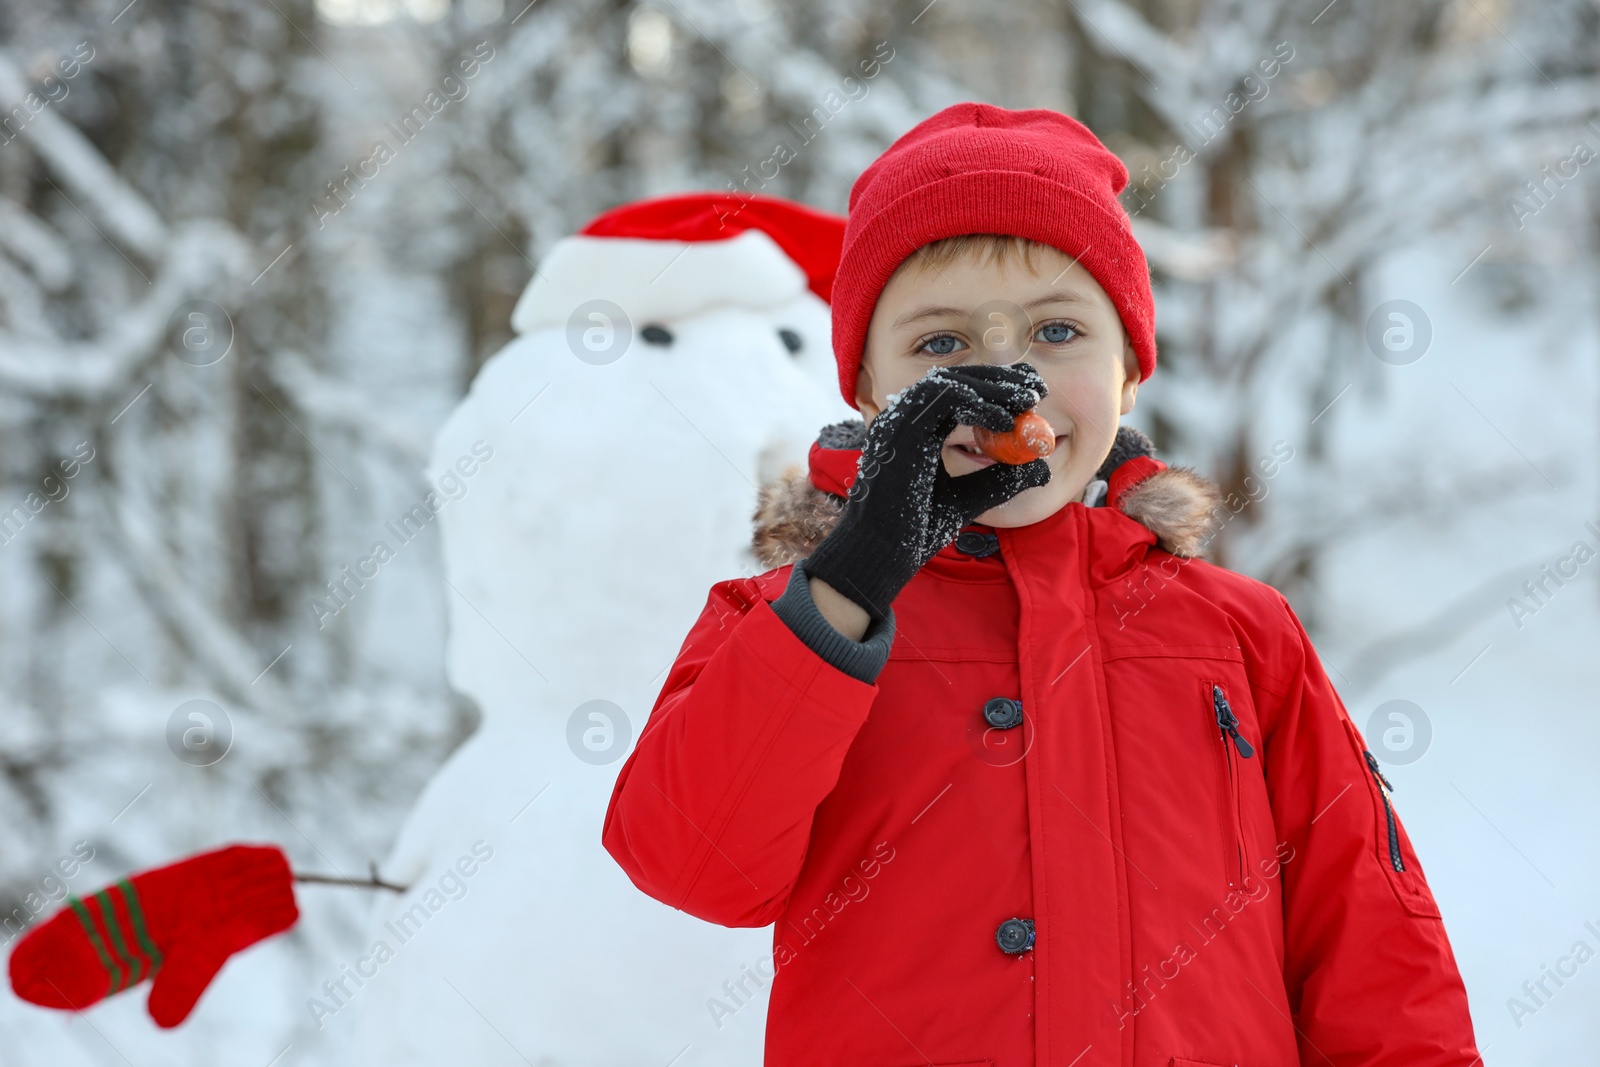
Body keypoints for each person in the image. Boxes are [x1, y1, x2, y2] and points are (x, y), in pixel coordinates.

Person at [602, 102, 1481, 1066]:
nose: (1006, 386)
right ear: (865, 391)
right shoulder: (793, 619)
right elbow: (693, 865)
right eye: (940, 347)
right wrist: (854, 575)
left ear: (1131, 371)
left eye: (1056, 330)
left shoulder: (1240, 631)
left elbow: (1372, 944)